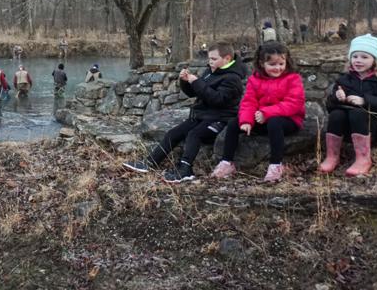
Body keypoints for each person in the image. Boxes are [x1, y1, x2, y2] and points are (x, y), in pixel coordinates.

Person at [123, 42, 247, 183]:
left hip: (220, 118)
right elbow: (194, 93)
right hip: (201, 116)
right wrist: (186, 82)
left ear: (227, 59)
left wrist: (196, 82)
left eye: (213, 59)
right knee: (173, 133)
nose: (210, 62)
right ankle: (150, 163)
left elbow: (217, 100)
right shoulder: (211, 71)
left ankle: (185, 169)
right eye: (209, 58)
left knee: (194, 135)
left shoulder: (233, 79)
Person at [211, 41, 305, 182]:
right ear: (262, 63)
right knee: (233, 124)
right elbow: (249, 101)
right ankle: (227, 162)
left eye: (281, 64)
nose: (277, 68)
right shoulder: (255, 79)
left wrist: (267, 112)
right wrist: (246, 121)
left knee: (274, 122)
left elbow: (294, 103)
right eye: (272, 65)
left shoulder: (293, 79)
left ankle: (275, 165)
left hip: (288, 120)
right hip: (261, 118)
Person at [319, 34, 377, 177]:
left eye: (364, 57)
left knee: (358, 112)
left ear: (375, 60)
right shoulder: (344, 79)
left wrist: (365, 101)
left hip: (376, 129)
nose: (358, 60)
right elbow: (330, 107)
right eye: (355, 56)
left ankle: (363, 159)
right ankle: (332, 156)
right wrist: (337, 98)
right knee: (336, 114)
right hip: (348, 130)